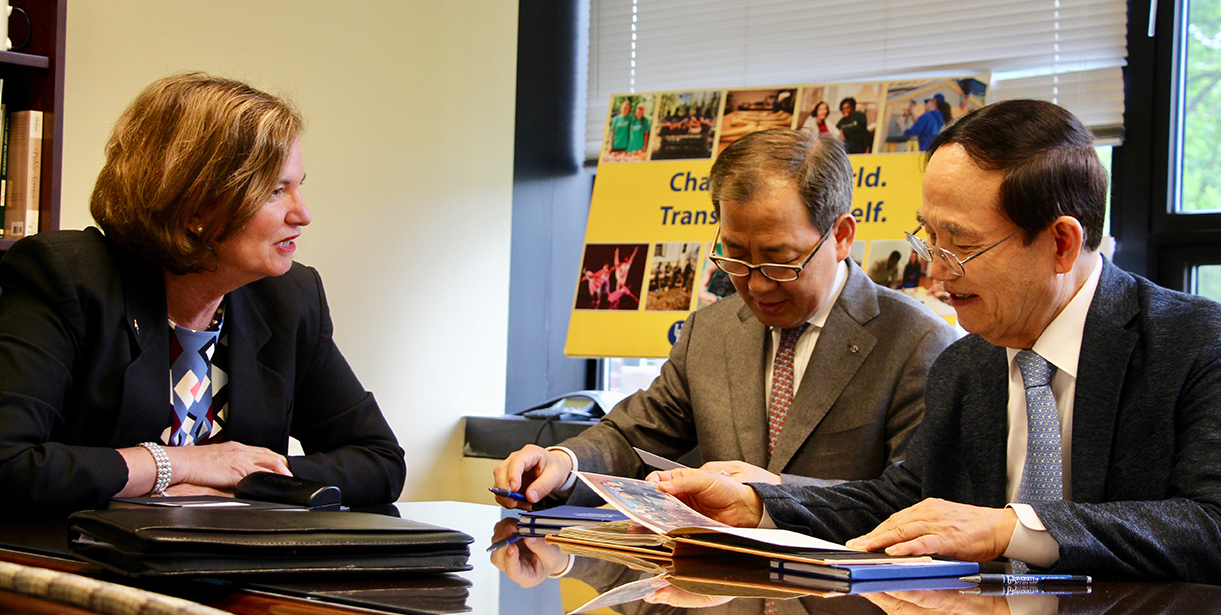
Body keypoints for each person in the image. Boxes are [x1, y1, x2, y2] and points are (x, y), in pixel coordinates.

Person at [652, 100, 1221, 584]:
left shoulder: (1196, 344)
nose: (935, 274)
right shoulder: (967, 364)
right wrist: (756, 504)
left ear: (1062, 244)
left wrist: (1008, 527)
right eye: (929, 237)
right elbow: (900, 502)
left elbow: (1210, 524)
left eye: (961, 245)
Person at [0, 73, 406, 514]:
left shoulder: (288, 298)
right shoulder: (67, 278)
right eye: (275, 190)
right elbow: (9, 463)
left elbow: (379, 461)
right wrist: (178, 464)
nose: (303, 214)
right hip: (81, 569)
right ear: (196, 206)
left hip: (237, 566)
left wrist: (245, 476)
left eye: (298, 185)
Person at [493, 129, 957, 508]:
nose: (756, 285)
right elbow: (630, 436)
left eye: (780, 261)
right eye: (735, 257)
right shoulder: (710, 332)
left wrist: (772, 495)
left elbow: (917, 500)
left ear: (841, 235)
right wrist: (563, 462)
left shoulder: (918, 343)